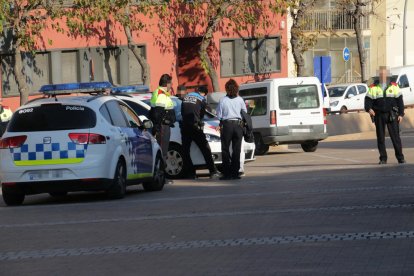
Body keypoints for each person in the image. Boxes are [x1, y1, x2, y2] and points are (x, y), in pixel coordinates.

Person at [365, 66, 405, 164]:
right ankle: (383, 158)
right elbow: (367, 101)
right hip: (378, 115)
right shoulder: (372, 88)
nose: (383, 76)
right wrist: (369, 109)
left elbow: (400, 101)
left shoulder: (394, 86)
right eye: (381, 74)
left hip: (392, 115)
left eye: (385, 74)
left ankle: (400, 158)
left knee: (395, 137)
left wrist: (401, 114)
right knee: (380, 137)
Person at [180, 86, 220, 179]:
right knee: (205, 149)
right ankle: (213, 171)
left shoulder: (186, 97)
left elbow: (182, 112)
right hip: (195, 127)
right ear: (204, 94)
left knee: (185, 151)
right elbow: (203, 113)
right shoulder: (201, 99)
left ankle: (191, 174)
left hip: (185, 127)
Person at [216, 79, 247, 180]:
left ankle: (227, 173)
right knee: (236, 150)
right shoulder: (240, 100)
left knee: (225, 149)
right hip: (238, 126)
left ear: (226, 89)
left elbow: (219, 115)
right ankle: (235, 172)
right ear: (236, 88)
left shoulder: (222, 100)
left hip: (227, 125)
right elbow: (244, 113)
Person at [150, 74, 176, 184]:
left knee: (163, 152)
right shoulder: (161, 95)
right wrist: (160, 125)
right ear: (167, 84)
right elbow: (158, 113)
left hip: (164, 126)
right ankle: (162, 177)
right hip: (162, 127)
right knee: (162, 152)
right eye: (171, 83)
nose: (172, 85)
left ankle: (161, 176)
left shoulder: (162, 93)